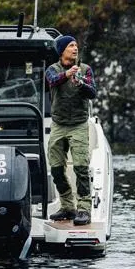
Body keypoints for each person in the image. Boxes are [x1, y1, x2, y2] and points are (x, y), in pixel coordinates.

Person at [45, 35, 97, 225]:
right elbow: (52, 81)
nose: (75, 49)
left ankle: (84, 209)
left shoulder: (85, 70)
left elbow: (93, 92)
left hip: (78, 124)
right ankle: (68, 206)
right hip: (58, 124)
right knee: (56, 168)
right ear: (62, 51)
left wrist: (81, 84)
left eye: (76, 45)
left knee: (81, 168)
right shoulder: (52, 69)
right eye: (70, 46)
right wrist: (67, 75)